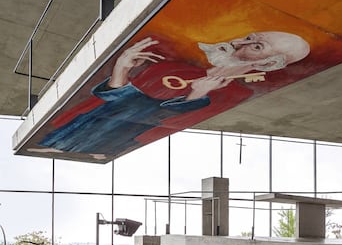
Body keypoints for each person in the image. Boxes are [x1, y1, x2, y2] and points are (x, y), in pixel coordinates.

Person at [30, 31, 310, 160]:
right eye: (249, 36)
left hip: (97, 139)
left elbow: (150, 117)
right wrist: (121, 72)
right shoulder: (174, 68)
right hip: (77, 133)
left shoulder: (233, 94)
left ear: (266, 65)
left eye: (256, 47)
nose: (238, 41)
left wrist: (194, 98)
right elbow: (111, 105)